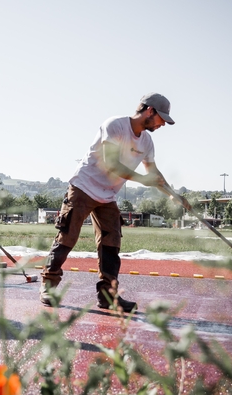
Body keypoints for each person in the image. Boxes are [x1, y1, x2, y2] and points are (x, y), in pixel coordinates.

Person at [40, 93, 174, 313]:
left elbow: (154, 173)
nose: (162, 124)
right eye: (162, 119)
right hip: (84, 187)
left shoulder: (147, 142)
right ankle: (48, 285)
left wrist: (172, 194)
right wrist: (142, 180)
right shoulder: (115, 126)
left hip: (107, 196)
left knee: (111, 244)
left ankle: (107, 296)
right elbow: (111, 164)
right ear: (150, 111)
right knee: (67, 236)